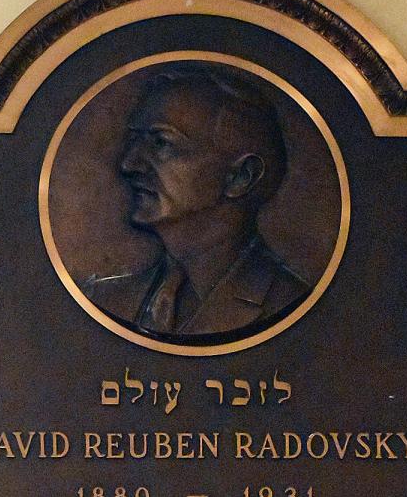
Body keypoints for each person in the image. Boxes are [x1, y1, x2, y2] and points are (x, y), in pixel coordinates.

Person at [83, 63, 308, 340]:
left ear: (240, 177)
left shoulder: (292, 305)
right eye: (135, 141)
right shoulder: (106, 300)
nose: (129, 164)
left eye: (161, 143)